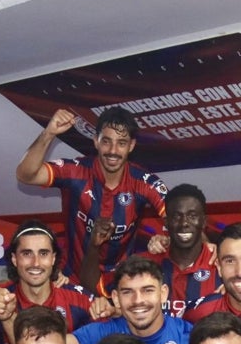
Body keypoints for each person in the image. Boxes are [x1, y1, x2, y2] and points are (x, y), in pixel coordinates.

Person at [16, 106, 167, 292]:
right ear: (96, 141)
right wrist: (49, 133)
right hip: (71, 280)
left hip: (120, 285)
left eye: (121, 143)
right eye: (106, 141)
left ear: (131, 146)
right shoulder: (76, 171)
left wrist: (165, 240)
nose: (113, 150)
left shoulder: (144, 182)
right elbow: (26, 175)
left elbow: (181, 219)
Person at [70, 256, 198, 344]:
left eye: (148, 290)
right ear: (116, 298)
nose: (138, 300)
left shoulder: (188, 338)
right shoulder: (105, 331)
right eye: (127, 292)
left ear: (163, 294)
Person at [146, 183, 220, 316]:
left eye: (192, 216)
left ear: (203, 222)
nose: (184, 223)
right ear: (166, 222)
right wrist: (94, 245)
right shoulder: (147, 264)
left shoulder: (221, 266)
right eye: (176, 216)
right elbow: (101, 287)